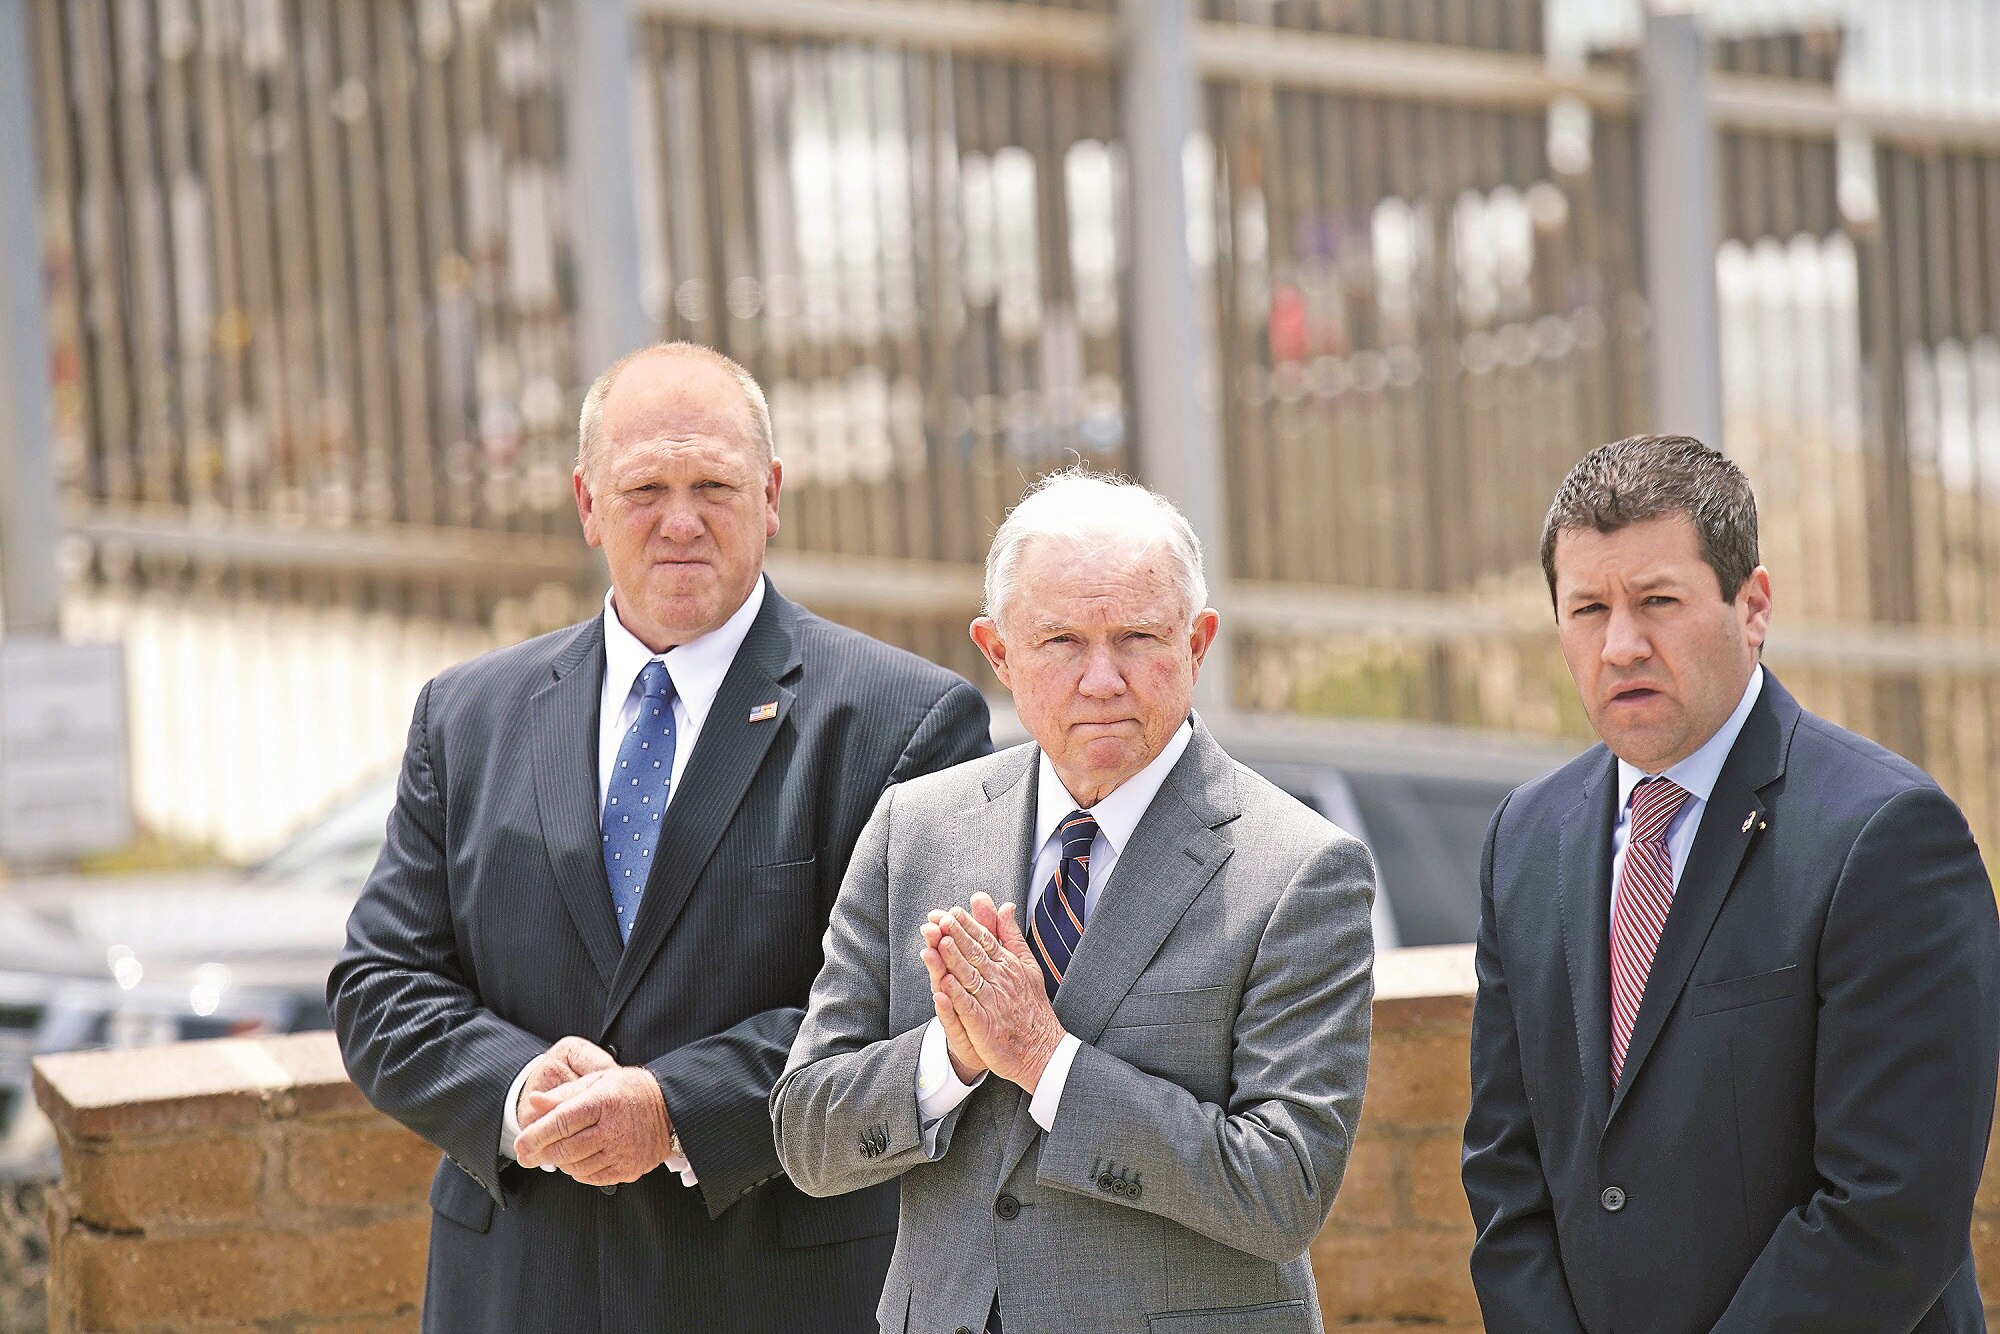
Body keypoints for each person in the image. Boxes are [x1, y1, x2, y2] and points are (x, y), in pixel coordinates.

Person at [328, 341, 990, 1333]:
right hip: (517, 1289)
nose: (681, 520)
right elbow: (381, 983)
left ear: (770, 495)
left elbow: (911, 1009)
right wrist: (518, 1087)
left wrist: (675, 1107)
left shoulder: (903, 720)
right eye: (645, 488)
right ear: (586, 503)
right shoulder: (465, 718)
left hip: (776, 1294)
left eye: (713, 485)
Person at [771, 470, 1376, 1334]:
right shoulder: (915, 828)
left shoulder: (1299, 869)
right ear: (998, 653)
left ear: (1198, 642)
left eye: (1137, 637)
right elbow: (806, 1136)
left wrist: (1047, 1061)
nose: (1102, 679)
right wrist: (952, 1057)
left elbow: (1284, 1189)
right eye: (1061, 641)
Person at [1461, 433, 2000, 1333]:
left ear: (1753, 606)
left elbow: (1892, 1210)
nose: (1621, 645)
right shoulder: (1524, 839)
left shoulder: (1888, 837)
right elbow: (1505, 1175)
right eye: (1588, 608)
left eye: (1658, 602)